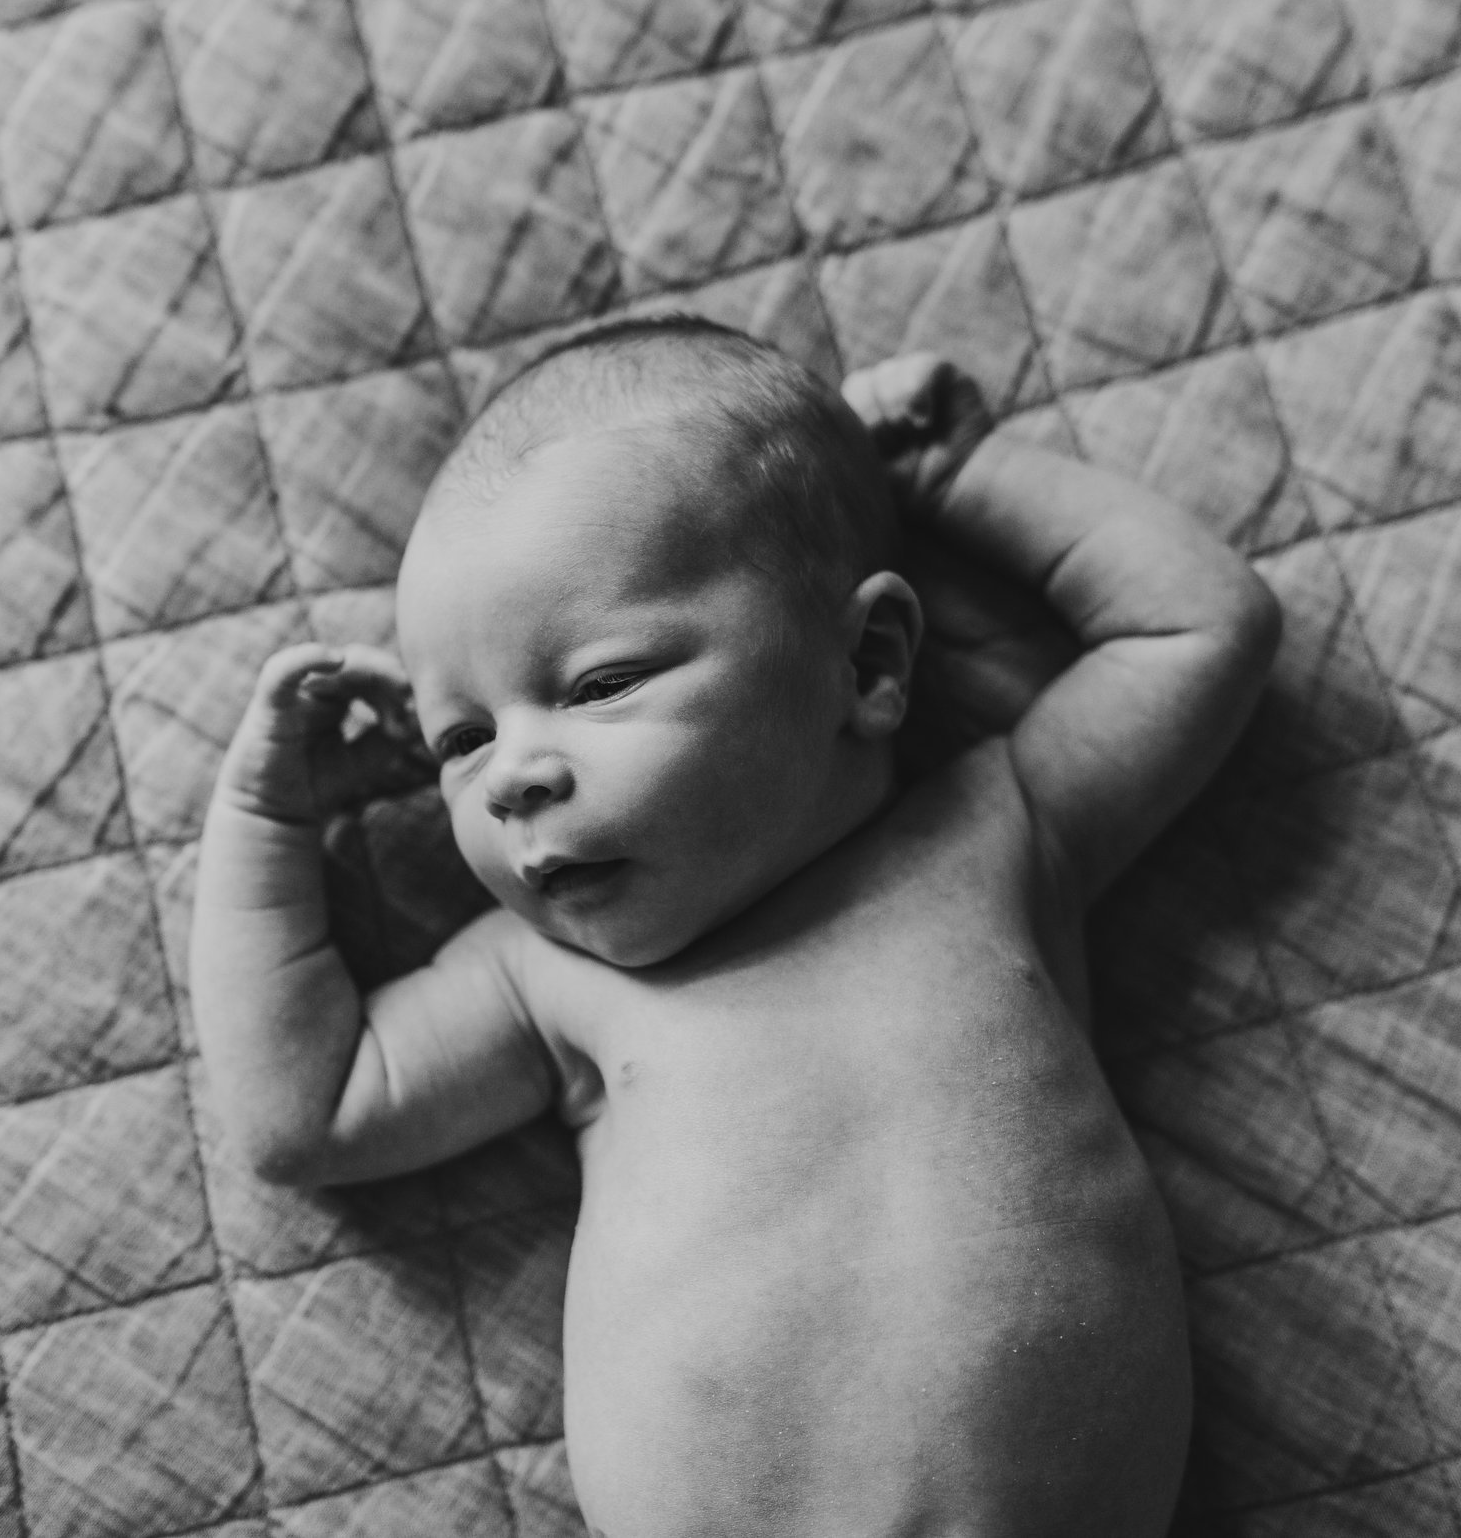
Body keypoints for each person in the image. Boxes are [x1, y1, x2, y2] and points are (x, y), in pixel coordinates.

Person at [190, 315, 1283, 1536]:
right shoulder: (546, 978)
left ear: (866, 663)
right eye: (461, 738)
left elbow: (1200, 629)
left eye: (600, 682)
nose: (510, 775)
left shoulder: (995, 831)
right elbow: (303, 1108)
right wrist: (263, 818)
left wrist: (960, 475)